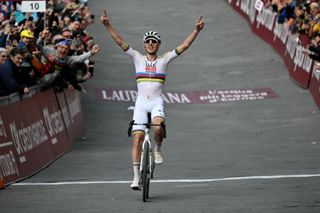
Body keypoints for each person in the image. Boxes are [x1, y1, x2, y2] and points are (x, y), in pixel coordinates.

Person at [100, 11, 205, 190]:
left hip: (156, 102)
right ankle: (135, 178)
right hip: (141, 103)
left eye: (153, 42)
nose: (150, 44)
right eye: (147, 42)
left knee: (157, 127)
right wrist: (107, 25)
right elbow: (120, 42)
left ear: (158, 45)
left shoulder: (164, 59)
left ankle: (157, 149)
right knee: (137, 138)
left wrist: (196, 30)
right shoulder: (137, 58)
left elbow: (184, 46)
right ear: (144, 44)